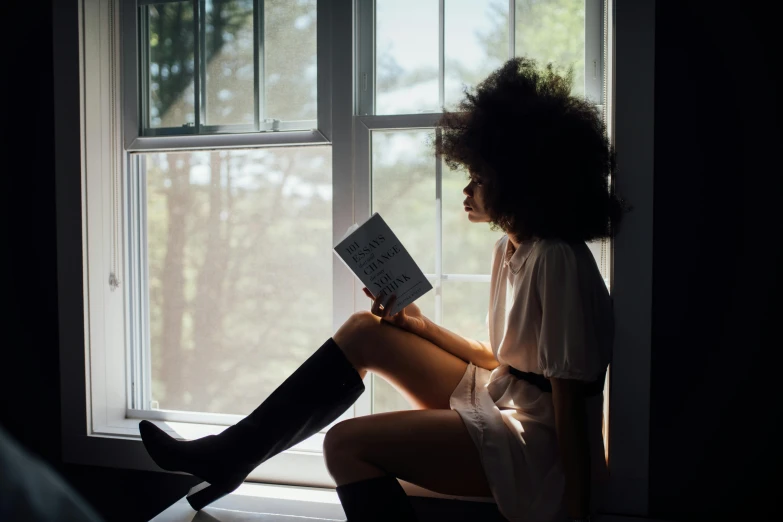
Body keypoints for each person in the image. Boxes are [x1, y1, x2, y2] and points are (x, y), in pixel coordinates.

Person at [138, 57, 627, 522]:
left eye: (478, 178)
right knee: (365, 331)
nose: (466, 190)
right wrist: (416, 324)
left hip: (539, 446)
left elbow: (567, 394)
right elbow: (497, 358)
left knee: (343, 445)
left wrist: (579, 511)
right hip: (504, 396)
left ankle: (228, 457)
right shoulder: (511, 249)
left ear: (518, 183)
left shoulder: (558, 259)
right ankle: (230, 455)